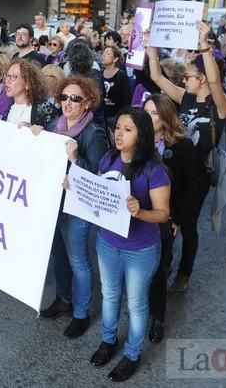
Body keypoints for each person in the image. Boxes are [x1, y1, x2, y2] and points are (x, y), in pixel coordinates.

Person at [85, 107, 170, 382]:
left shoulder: (154, 170)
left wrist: (139, 211)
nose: (119, 134)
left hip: (140, 249)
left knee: (135, 304)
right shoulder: (108, 158)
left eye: (127, 129)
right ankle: (107, 341)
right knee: (109, 295)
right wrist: (77, 188)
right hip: (107, 242)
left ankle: (132, 354)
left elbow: (163, 214)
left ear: (141, 134)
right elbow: (99, 193)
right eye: (118, 128)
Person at [147, 23, 226, 292]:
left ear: (202, 79)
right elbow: (157, 77)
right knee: (166, 220)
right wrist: (151, 44)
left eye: (191, 75)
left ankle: (184, 272)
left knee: (187, 224)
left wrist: (204, 46)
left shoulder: (220, 105)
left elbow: (216, 81)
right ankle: (166, 263)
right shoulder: (186, 98)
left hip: (198, 178)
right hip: (172, 173)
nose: (185, 79)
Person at [39, 76, 108, 339]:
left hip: (77, 207)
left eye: (75, 98)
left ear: (88, 102)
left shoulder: (93, 133)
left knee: (78, 260)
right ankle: (63, 299)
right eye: (64, 97)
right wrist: (31, 134)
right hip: (52, 202)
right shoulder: (52, 125)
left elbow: (99, 177)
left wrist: (76, 160)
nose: (68, 102)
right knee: (59, 255)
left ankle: (81, 313)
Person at [143, 94, 197, 344]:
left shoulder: (182, 146)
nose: (149, 117)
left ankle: (157, 317)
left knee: (158, 271)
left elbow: (192, 188)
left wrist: (176, 218)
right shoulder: (137, 140)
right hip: (138, 216)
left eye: (154, 113)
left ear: (166, 117)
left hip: (164, 219)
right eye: (146, 111)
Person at [2, 58, 59, 128]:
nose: (7, 81)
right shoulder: (9, 106)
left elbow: (54, 134)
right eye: (7, 76)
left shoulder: (44, 108)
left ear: (28, 83)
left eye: (13, 77)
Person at [101, 46, 131, 127]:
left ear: (115, 59)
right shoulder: (99, 74)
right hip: (102, 115)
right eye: (103, 53)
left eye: (108, 53)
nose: (103, 55)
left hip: (115, 116)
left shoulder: (121, 76)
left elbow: (126, 99)